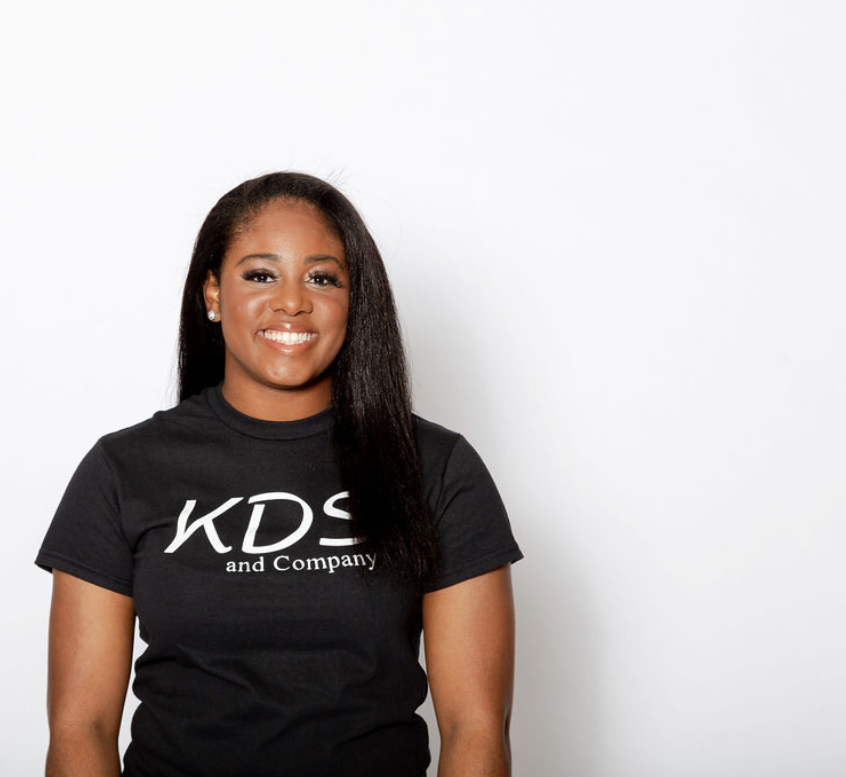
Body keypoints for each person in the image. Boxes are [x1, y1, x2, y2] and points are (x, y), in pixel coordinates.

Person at [36, 172, 523, 777]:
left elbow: (476, 728)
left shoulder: (438, 467)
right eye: (261, 275)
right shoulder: (124, 469)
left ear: (355, 301)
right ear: (213, 293)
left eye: (322, 278)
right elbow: (80, 728)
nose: (292, 301)